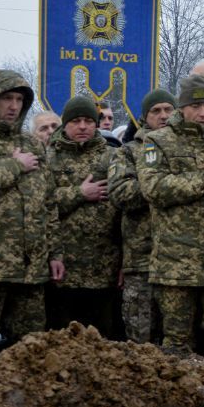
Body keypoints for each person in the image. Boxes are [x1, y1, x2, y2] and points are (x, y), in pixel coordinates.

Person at [137, 74, 204, 358]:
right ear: (181, 107)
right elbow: (152, 187)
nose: (203, 112)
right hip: (176, 263)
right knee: (176, 342)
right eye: (196, 106)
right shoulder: (157, 142)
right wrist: (203, 181)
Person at [0, 69, 63, 339]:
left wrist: (55, 254)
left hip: (32, 268)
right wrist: (14, 165)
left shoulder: (32, 143)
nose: (14, 106)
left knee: (30, 348)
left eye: (19, 99)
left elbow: (48, 203)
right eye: (7, 98)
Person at [45, 94, 121, 338]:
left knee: (103, 340)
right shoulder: (49, 159)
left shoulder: (112, 157)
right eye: (76, 121)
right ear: (65, 124)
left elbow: (126, 212)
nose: (82, 126)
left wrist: (125, 260)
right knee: (64, 341)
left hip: (105, 268)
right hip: (64, 268)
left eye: (88, 121)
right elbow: (40, 206)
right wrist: (79, 193)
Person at [109, 89, 174, 344]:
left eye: (169, 109)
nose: (164, 116)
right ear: (145, 117)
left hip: (180, 261)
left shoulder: (185, 147)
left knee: (176, 339)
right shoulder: (129, 152)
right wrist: (162, 187)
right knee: (141, 338)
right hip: (142, 258)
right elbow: (120, 192)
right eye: (156, 111)